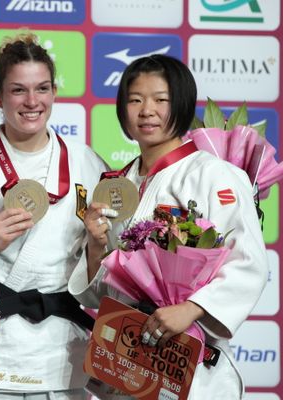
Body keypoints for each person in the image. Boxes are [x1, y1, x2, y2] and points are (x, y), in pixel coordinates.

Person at [68, 54, 268, 399]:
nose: (147, 111)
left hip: (189, 361)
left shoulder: (214, 175)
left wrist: (190, 309)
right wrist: (96, 246)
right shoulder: (119, 184)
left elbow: (248, 264)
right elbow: (100, 295)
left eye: (160, 100)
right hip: (128, 360)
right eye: (135, 100)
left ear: (181, 103)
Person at [0, 33, 107, 399]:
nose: (32, 101)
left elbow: (102, 271)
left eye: (42, 88)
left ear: (55, 91)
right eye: (18, 90)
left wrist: (98, 246)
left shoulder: (87, 162)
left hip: (62, 353)